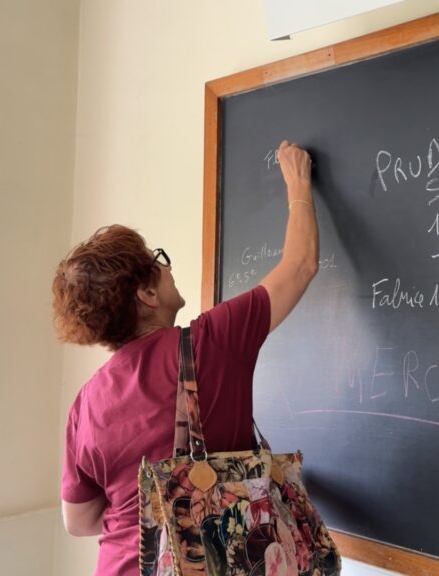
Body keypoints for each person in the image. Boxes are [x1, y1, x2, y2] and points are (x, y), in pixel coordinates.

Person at [52, 140, 318, 576]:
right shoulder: (211, 342)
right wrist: (298, 182)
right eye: (158, 262)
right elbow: (301, 263)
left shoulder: (84, 404)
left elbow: (78, 522)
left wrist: (157, 509)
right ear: (147, 293)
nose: (167, 267)